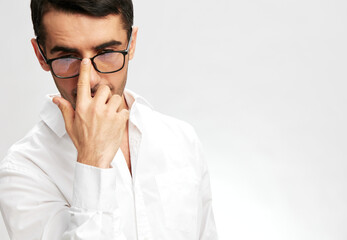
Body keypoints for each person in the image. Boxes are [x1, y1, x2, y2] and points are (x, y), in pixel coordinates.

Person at [0, 0, 217, 239]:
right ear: (41, 55)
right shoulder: (24, 170)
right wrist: (92, 161)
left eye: (106, 53)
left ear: (131, 44)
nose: (90, 79)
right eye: (67, 57)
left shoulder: (181, 140)